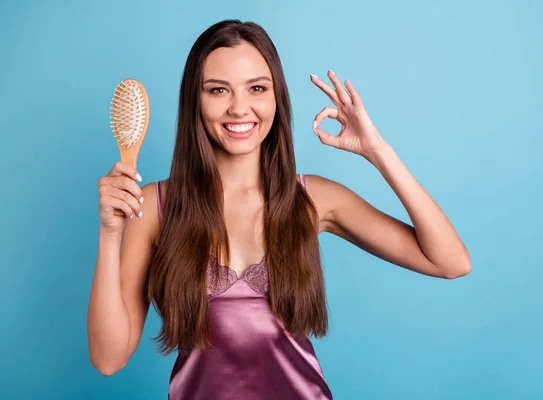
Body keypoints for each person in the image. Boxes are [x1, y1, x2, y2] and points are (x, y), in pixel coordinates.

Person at [87, 19, 471, 400]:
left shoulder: (313, 199)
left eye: (257, 88)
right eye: (218, 90)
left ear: (277, 97)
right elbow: (108, 358)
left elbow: (451, 262)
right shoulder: (153, 207)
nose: (240, 108)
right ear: (195, 101)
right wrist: (109, 233)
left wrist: (379, 152)